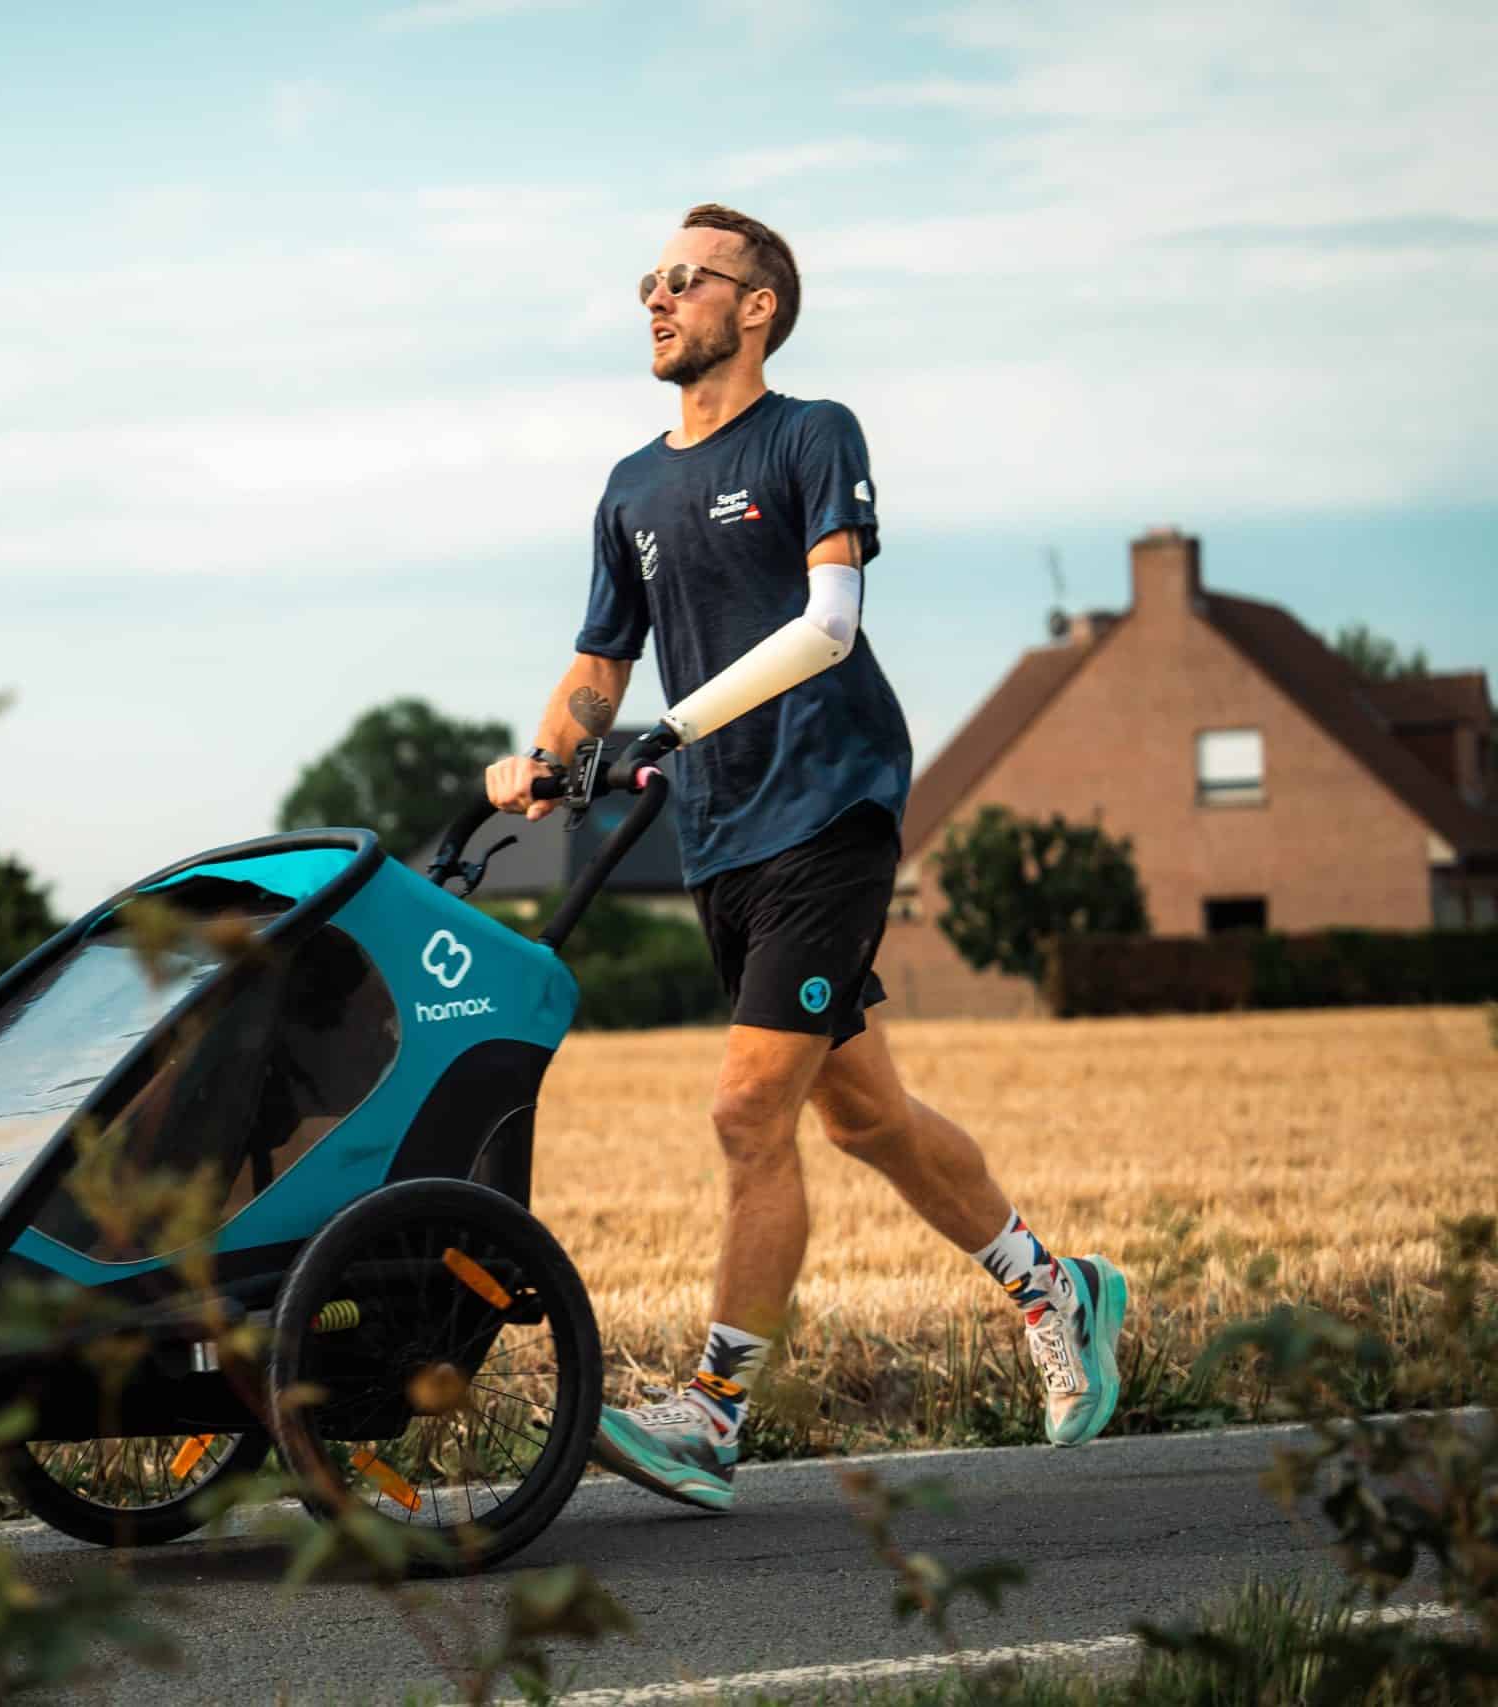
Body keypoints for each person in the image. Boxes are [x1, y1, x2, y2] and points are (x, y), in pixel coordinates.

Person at [482, 204, 1128, 1514]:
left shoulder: (809, 434)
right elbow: (602, 664)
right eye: (648, 281)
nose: (656, 300)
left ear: (756, 305)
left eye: (685, 280)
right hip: (720, 830)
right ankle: (1059, 1290)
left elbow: (831, 625)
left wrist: (680, 720)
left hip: (831, 810)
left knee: (745, 1113)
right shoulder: (630, 487)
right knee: (865, 1116)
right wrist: (547, 754)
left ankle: (715, 1419)